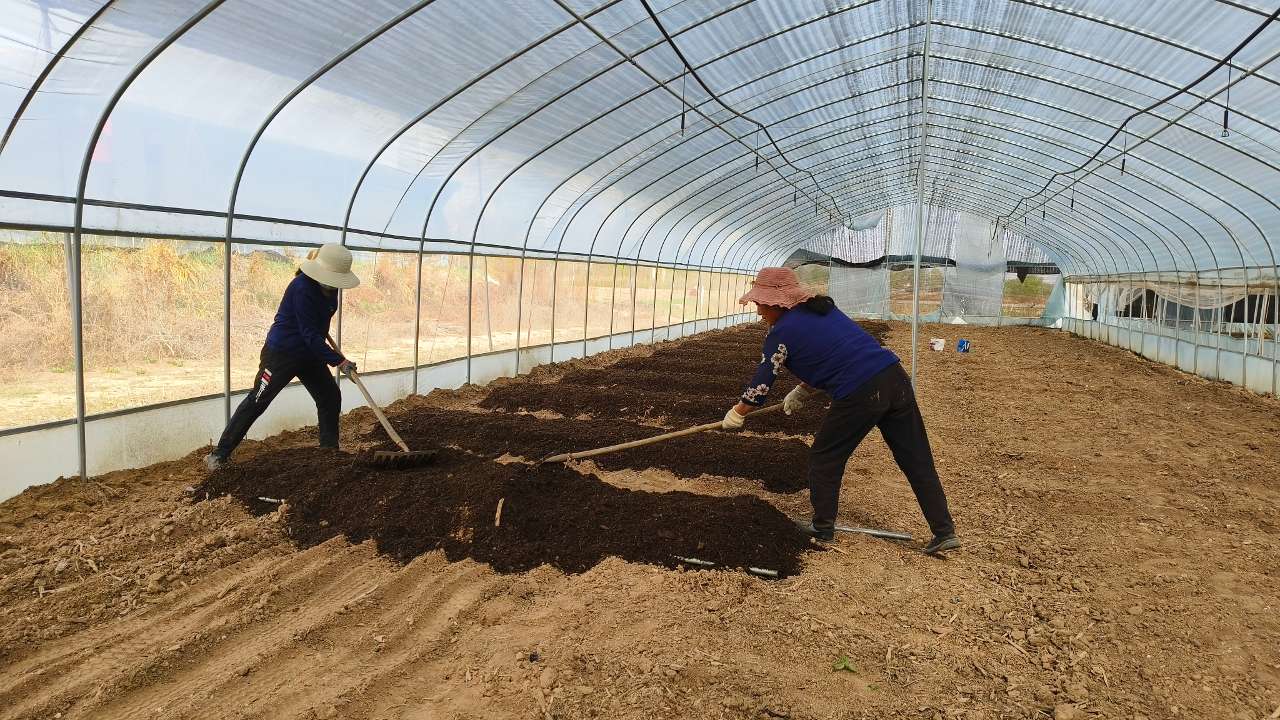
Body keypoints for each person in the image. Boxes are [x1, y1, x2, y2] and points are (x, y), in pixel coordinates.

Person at [721, 267, 959, 554]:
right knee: (916, 457)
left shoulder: (780, 333)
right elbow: (834, 354)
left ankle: (822, 528)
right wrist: (802, 390)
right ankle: (944, 531)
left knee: (825, 457)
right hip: (894, 378)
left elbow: (761, 384)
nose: (758, 311)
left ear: (775, 302)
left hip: (861, 392)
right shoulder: (823, 312)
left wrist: (738, 412)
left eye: (760, 304)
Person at [205, 243, 361, 471]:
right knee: (258, 400)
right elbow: (309, 334)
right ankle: (219, 454)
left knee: (329, 396)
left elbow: (316, 331)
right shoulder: (301, 288)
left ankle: (329, 452)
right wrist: (339, 361)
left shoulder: (331, 289)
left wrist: (330, 352)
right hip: (282, 353)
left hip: (310, 353)